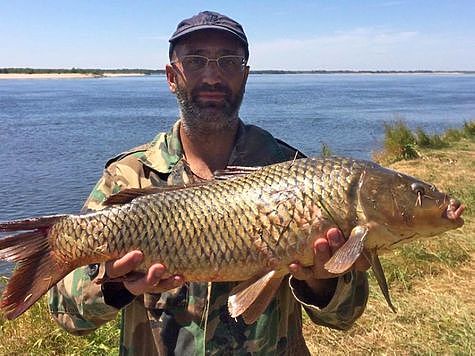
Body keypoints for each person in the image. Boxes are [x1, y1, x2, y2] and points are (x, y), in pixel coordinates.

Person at [48, 11, 369, 355]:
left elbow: (344, 317)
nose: (213, 76)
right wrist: (114, 286)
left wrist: (323, 281)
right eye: (196, 61)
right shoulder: (129, 176)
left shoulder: (295, 175)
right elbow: (67, 315)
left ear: (244, 76)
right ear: (172, 77)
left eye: (228, 62)